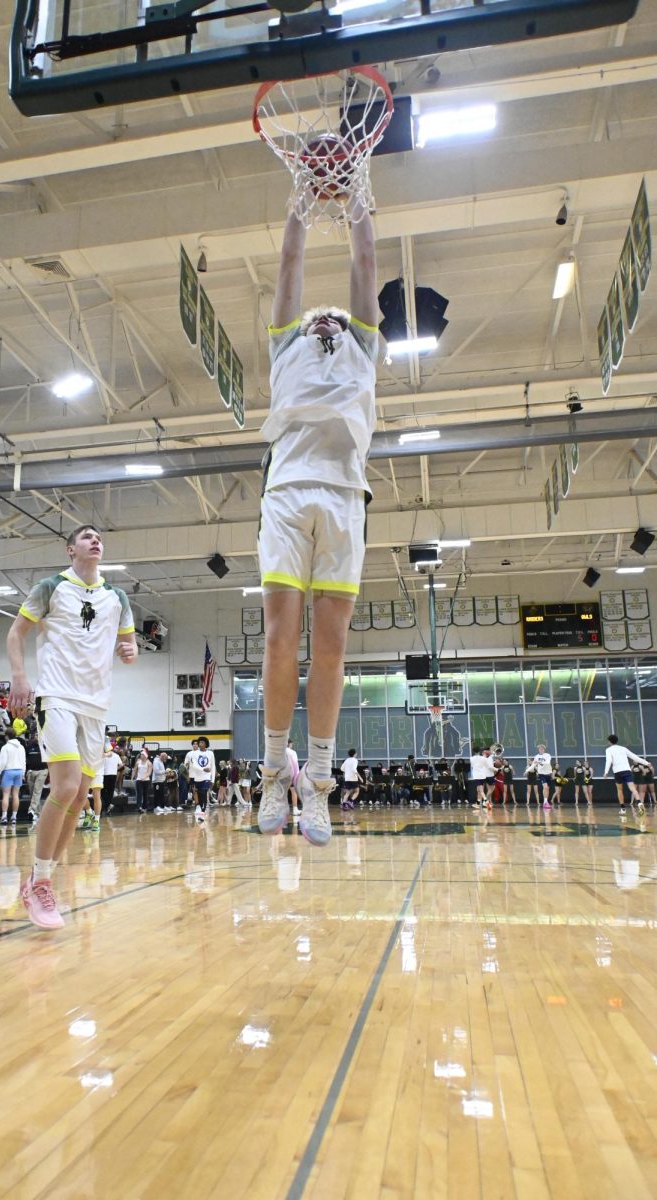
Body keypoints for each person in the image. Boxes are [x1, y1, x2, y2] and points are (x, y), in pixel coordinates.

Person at [256, 198, 377, 849]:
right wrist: (299, 204)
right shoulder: (285, 349)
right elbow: (289, 265)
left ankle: (320, 781)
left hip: (344, 495)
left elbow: (363, 260)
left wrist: (358, 200)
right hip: (287, 492)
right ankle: (276, 770)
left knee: (330, 647)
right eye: (310, 315)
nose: (320, 312)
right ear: (295, 331)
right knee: (282, 641)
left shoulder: (360, 347)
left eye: (333, 312)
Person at [7, 524, 137, 929]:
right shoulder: (51, 587)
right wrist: (19, 676)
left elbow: (127, 645)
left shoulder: (117, 597)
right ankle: (42, 881)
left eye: (99, 538)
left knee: (79, 798)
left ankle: (36, 878)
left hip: (96, 706)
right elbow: (16, 632)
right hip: (57, 696)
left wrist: (129, 649)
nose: (95, 541)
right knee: (64, 786)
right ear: (70, 549)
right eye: (86, 537)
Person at [603, 734, 652, 815]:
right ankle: (640, 804)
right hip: (626, 770)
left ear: (609, 741)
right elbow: (634, 757)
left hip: (617, 771)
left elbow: (609, 761)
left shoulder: (608, 750)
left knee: (619, 790)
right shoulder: (623, 748)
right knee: (632, 788)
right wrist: (646, 763)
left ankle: (623, 809)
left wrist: (606, 772)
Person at [0, 727, 26, 827]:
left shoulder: (5, 747)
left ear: (7, 736)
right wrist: (23, 773)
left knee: (6, 795)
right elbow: (24, 761)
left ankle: (4, 817)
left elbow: (2, 762)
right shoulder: (21, 747)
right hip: (19, 771)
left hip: (8, 771)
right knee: (16, 795)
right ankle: (14, 817)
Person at [186, 735, 215, 823]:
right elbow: (194, 765)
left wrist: (212, 779)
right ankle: (199, 808)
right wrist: (203, 769)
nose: (200, 744)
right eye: (199, 742)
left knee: (204, 793)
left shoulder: (210, 753)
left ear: (206, 744)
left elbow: (213, 767)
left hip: (206, 777)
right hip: (197, 778)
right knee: (199, 795)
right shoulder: (194, 753)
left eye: (202, 742)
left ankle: (202, 813)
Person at [528, 744, 554, 809]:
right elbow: (533, 765)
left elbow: (547, 762)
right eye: (539, 748)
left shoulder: (547, 755)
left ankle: (546, 801)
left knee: (547, 788)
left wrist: (539, 762)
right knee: (545, 787)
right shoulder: (536, 756)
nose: (540, 749)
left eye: (542, 748)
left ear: (544, 749)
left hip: (548, 773)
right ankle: (545, 802)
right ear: (538, 750)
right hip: (541, 774)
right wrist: (527, 770)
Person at [134, 747, 153, 813]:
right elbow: (135, 770)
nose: (141, 756)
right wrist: (133, 776)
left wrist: (144, 777)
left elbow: (149, 772)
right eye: (141, 754)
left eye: (142, 755)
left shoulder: (149, 763)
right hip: (139, 780)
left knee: (145, 794)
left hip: (146, 780)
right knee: (139, 794)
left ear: (145, 756)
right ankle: (139, 807)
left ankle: (145, 807)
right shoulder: (138, 762)